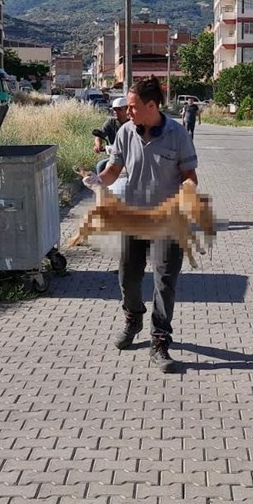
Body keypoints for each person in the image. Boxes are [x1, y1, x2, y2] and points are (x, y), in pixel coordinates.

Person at [93, 77, 198, 373]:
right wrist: (97, 180)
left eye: (133, 106)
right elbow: (113, 170)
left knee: (164, 281)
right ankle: (133, 317)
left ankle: (160, 339)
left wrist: (189, 191)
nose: (128, 112)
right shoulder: (126, 132)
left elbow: (190, 175)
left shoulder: (177, 134)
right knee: (128, 277)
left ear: (151, 105)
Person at [94, 97, 130, 175]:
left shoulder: (132, 123)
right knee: (100, 166)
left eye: (119, 109)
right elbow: (99, 135)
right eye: (114, 109)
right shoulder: (110, 122)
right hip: (114, 157)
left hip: (130, 158)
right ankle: (101, 186)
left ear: (127, 109)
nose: (116, 112)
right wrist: (98, 145)